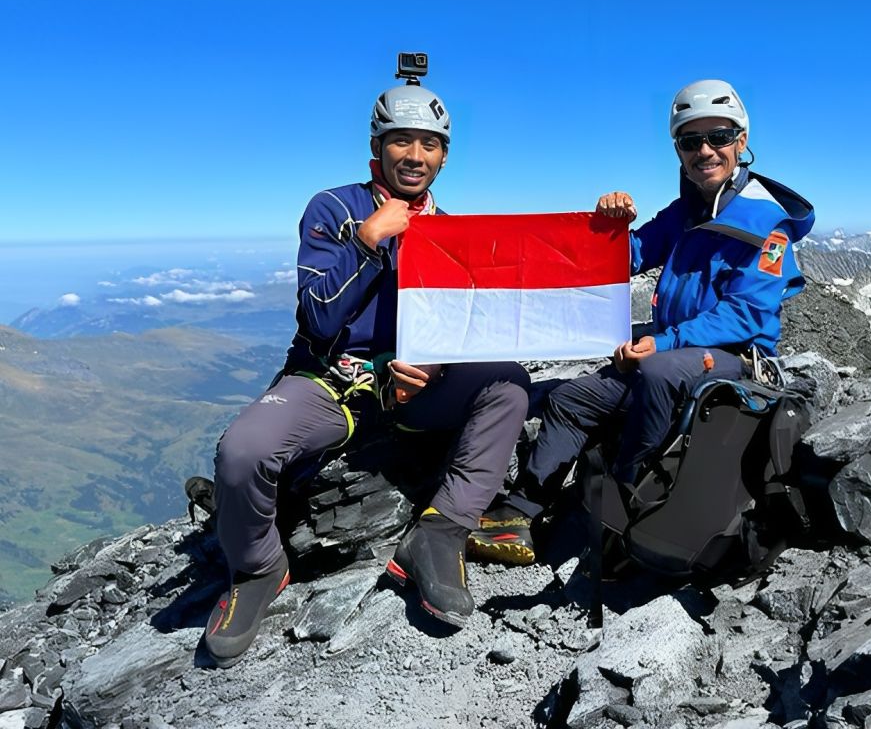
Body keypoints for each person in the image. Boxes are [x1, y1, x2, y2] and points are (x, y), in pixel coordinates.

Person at [203, 76, 530, 666]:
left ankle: (440, 532)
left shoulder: (452, 229)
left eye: (428, 144)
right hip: (329, 383)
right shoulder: (335, 208)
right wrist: (367, 243)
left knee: (508, 382)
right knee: (243, 452)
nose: (415, 155)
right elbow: (320, 317)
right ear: (377, 147)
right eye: (401, 141)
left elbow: (463, 326)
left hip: (410, 393)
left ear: (444, 155)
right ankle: (257, 570)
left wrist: (428, 366)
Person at [467, 79, 814, 565]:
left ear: (741, 142)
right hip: (674, 352)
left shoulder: (766, 224)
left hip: (732, 361)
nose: (705, 151)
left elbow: (747, 313)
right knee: (571, 399)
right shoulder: (683, 213)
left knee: (657, 373)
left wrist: (666, 340)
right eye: (690, 141)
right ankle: (519, 511)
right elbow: (624, 257)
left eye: (718, 136)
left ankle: (628, 502)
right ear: (678, 150)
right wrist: (609, 225)